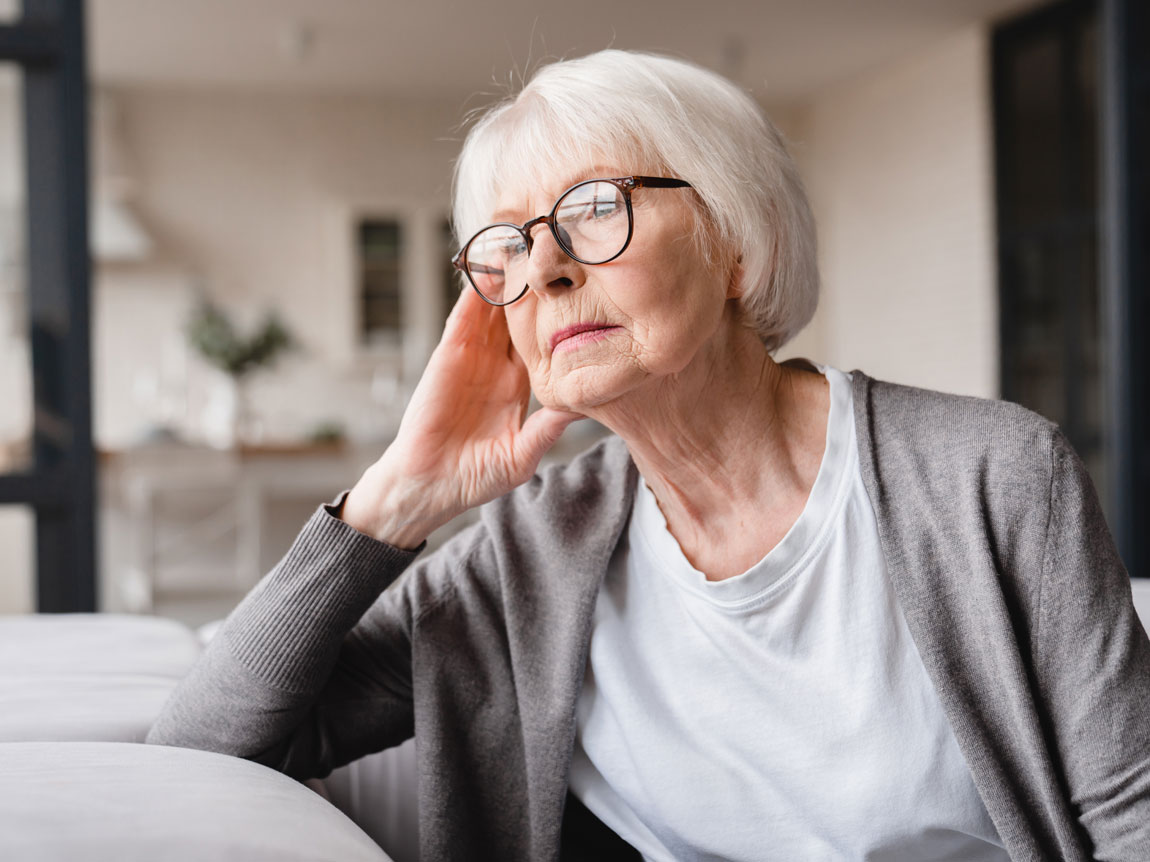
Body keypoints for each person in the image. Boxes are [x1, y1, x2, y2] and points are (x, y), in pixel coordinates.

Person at [146, 50, 1150, 862]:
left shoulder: (993, 476)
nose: (545, 266)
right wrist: (397, 499)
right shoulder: (524, 557)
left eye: (592, 207)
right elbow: (197, 749)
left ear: (736, 246)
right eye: (509, 243)